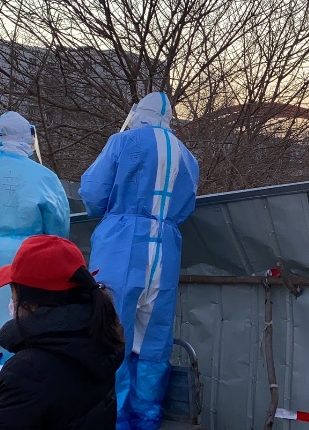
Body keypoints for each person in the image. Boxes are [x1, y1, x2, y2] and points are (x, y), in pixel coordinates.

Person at [80, 92, 199, 430]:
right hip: (166, 248)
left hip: (120, 245)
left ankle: (112, 420)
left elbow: (93, 193)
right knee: (153, 340)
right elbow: (186, 206)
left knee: (111, 332)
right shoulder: (187, 156)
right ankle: (146, 420)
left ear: (137, 113)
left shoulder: (122, 141)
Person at [0, 112, 71, 387]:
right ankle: (16, 389)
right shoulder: (40, 175)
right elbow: (57, 223)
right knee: (20, 319)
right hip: (24, 253)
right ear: (27, 136)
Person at [0, 235, 124, 429]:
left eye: (13, 292)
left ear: (31, 303)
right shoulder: (100, 336)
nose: (11, 301)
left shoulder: (28, 371)